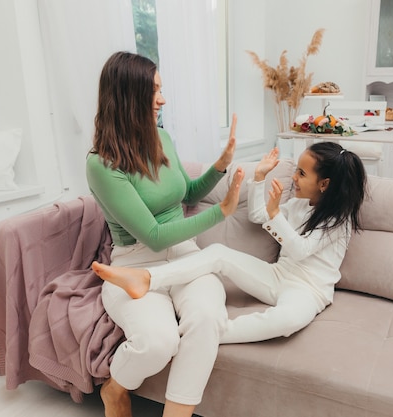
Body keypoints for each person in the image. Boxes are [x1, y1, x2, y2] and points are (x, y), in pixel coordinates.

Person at [86, 51, 245, 417]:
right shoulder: (101, 165)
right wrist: (221, 213)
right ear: (129, 96)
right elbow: (155, 235)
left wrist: (219, 166)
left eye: (161, 89)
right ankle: (114, 388)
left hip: (186, 256)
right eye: (154, 90)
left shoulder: (162, 137)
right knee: (158, 342)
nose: (163, 98)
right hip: (135, 262)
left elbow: (186, 193)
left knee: (207, 319)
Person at [92, 141, 367, 344]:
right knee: (218, 253)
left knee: (287, 321)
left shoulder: (337, 222)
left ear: (325, 184)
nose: (294, 178)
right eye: (296, 170)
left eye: (302, 174)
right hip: (278, 275)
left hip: (308, 291)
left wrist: (275, 214)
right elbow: (259, 215)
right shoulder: (299, 204)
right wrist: (259, 178)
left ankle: (204, 336)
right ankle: (147, 278)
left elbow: (300, 249)